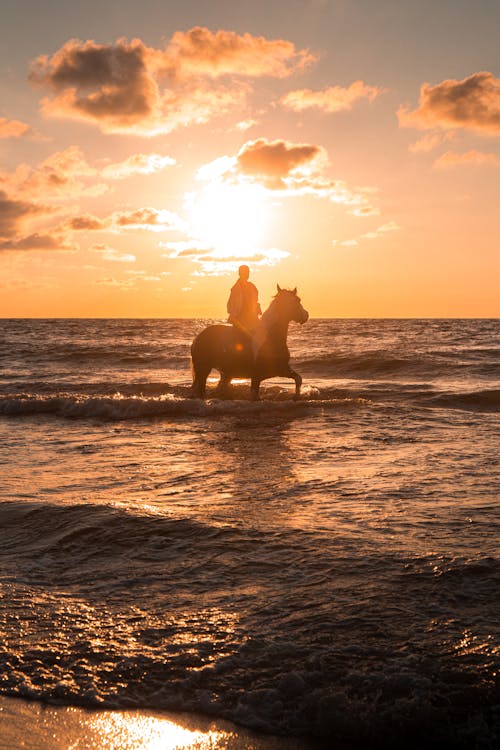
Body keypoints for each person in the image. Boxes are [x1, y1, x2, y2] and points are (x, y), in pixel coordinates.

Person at [227, 265, 261, 336]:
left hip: (252, 318)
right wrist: (236, 313)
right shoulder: (235, 289)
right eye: (245, 272)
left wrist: (257, 309)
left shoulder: (252, 286)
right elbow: (229, 306)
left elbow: (255, 301)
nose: (247, 274)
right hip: (240, 320)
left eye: (248, 272)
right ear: (240, 273)